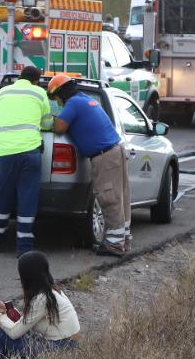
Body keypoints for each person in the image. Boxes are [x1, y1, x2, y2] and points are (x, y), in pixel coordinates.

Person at [47, 74, 132, 256]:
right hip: (115, 151)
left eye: (55, 98)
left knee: (109, 198)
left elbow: (60, 128)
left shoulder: (73, 104)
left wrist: (52, 120)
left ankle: (114, 245)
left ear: (61, 93)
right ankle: (122, 240)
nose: (58, 102)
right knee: (120, 197)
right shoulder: (85, 99)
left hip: (105, 157)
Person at [0, 251, 80, 359]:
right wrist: (7, 312)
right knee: (1, 331)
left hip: (57, 353)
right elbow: (27, 323)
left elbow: (15, 332)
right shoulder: (52, 292)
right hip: (66, 348)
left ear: (27, 276)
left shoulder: (42, 298)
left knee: (0, 334)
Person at [0, 66, 53, 255]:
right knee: (27, 197)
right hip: (29, 152)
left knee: (3, 195)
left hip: (5, 152)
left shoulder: (3, 91)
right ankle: (24, 247)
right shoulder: (40, 93)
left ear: (20, 77)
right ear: (37, 80)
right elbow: (47, 123)